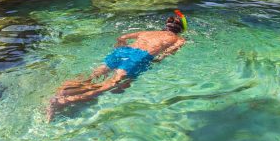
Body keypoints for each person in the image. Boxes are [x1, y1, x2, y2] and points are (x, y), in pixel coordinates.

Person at [46, 12, 188, 121]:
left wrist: (120, 48)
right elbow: (165, 55)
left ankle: (62, 91)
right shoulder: (179, 39)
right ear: (181, 30)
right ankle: (62, 102)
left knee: (92, 76)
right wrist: (155, 61)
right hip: (139, 58)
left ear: (166, 25)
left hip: (122, 51)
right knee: (109, 85)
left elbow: (122, 37)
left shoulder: (147, 32)